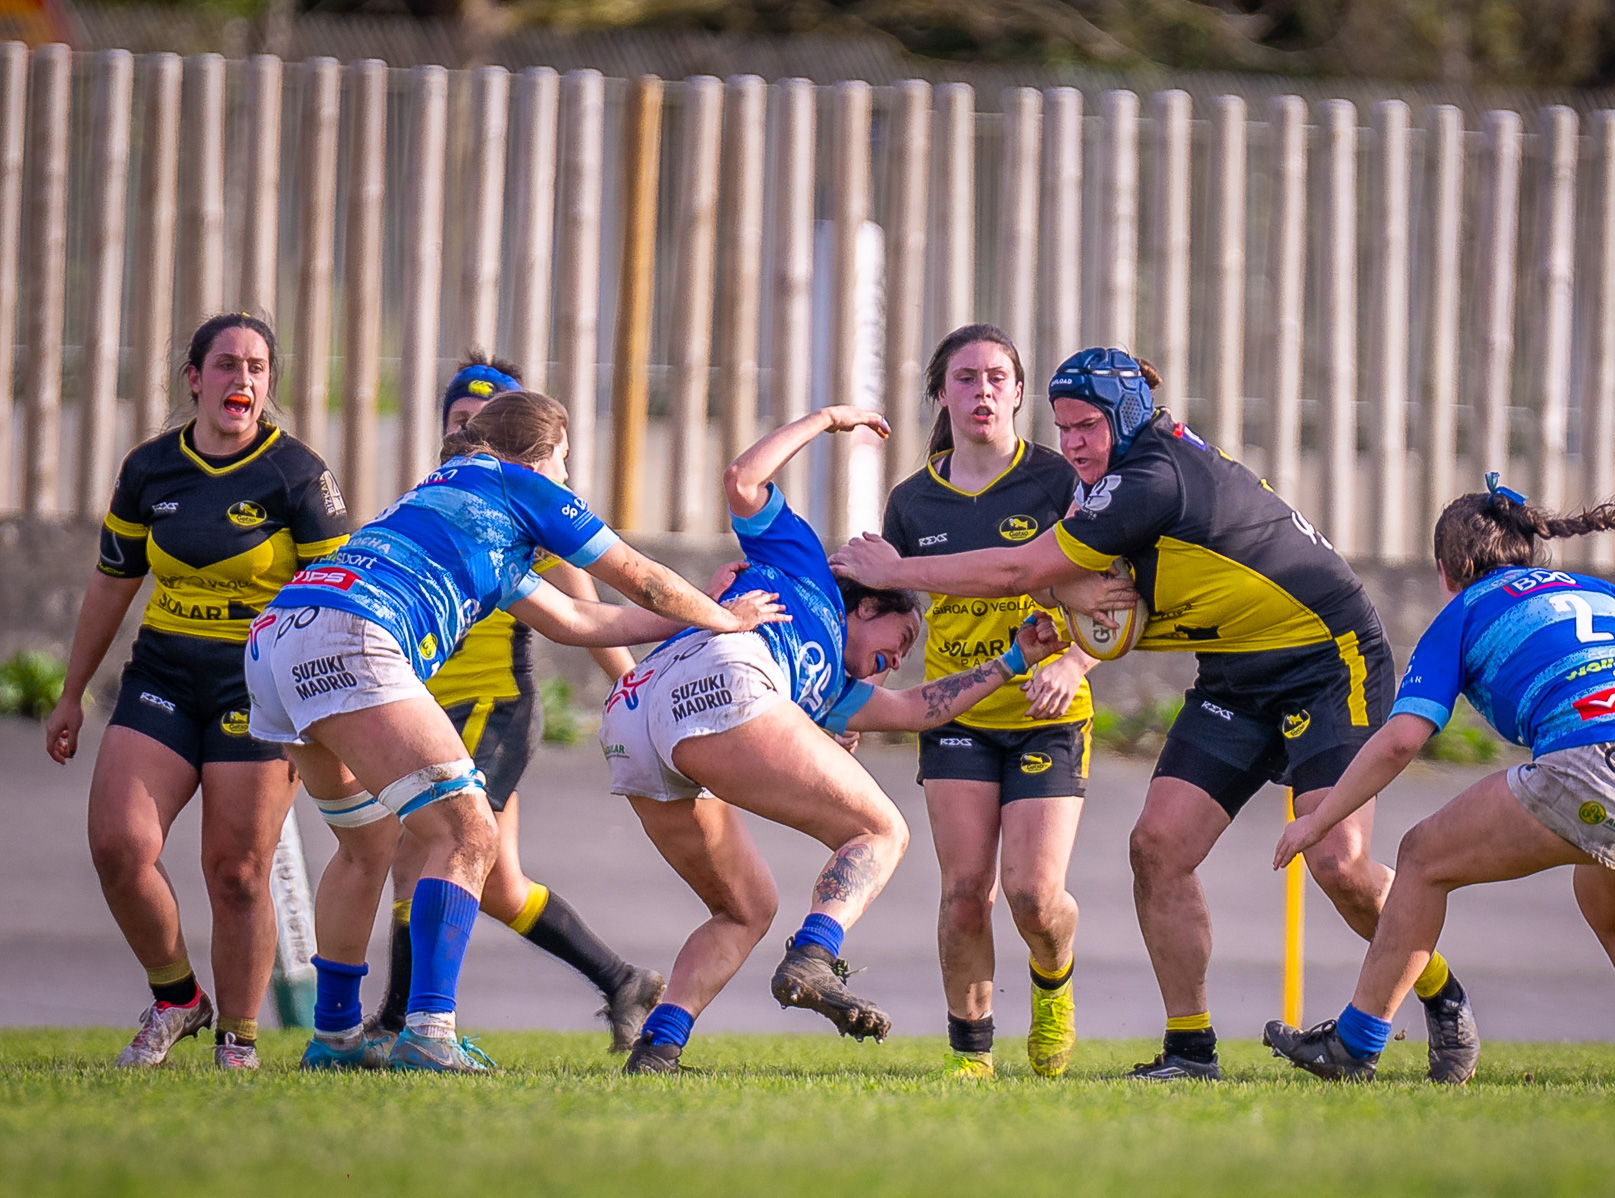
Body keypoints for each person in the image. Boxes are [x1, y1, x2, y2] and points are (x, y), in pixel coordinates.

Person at [832, 347, 1480, 1083]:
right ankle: (1191, 1051)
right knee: (1158, 849)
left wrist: (897, 572)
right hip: (1235, 675)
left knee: (1339, 863)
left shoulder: (1150, 477)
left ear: (1128, 417)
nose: (1072, 442)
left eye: (1087, 427)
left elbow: (1022, 571)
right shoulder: (1103, 481)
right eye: (1065, 428)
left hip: (1325, 662)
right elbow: (1082, 590)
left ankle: (1441, 993)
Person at [244, 390, 785, 1073]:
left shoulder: (460, 505)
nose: (565, 478)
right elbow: (640, 578)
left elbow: (579, 622)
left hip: (278, 640)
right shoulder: (516, 481)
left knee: (363, 847)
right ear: (537, 453)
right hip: (354, 633)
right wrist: (726, 618)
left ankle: (334, 1039)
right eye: (562, 461)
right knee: (469, 832)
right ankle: (428, 1032)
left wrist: (700, 616)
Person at [602, 406, 1069, 1075]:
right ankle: (814, 957)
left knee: (744, 908)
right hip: (723, 678)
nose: (898, 660)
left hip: (635, 720)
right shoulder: (805, 568)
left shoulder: (829, 690)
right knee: (883, 832)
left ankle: (659, 1048)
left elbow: (915, 711)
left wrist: (1015, 663)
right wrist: (826, 420)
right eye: (900, 640)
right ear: (869, 604)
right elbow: (742, 480)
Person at [1263, 480, 1615, 1088]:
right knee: (1612, 908)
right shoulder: (1595, 589)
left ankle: (1355, 1045)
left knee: (1421, 858)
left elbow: (1404, 738)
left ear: (1447, 569)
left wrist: (1317, 821)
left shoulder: (1467, 610)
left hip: (1600, 761)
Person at [46, 313, 351, 1070]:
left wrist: (336, 710)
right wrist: (69, 694)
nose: (240, 380)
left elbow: (347, 599)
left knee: (239, 873)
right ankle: (179, 997)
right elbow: (111, 583)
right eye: (225, 365)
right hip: (162, 676)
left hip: (261, 686)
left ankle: (237, 1043)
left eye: (255, 367)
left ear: (268, 384)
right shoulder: (151, 469)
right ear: (195, 379)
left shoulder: (298, 476)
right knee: (119, 845)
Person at [367, 357, 664, 1052]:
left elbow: (588, 616)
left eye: (486, 420)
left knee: (424, 845)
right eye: (459, 421)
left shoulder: (537, 509)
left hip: (491, 703)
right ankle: (622, 980)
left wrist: (636, 697)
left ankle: (395, 1024)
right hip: (421, 702)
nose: (471, 431)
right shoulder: (434, 496)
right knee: (498, 883)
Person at [881, 325, 1098, 1079]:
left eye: (998, 377)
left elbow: (1117, 593)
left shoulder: (1058, 483)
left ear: (1017, 391)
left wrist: (1074, 659)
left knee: (1034, 896)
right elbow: (893, 619)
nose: (982, 391)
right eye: (966, 377)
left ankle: (1053, 984)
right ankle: (971, 1054)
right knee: (966, 891)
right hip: (956, 716)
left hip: (1048, 713)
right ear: (941, 392)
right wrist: (854, 702)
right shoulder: (911, 502)